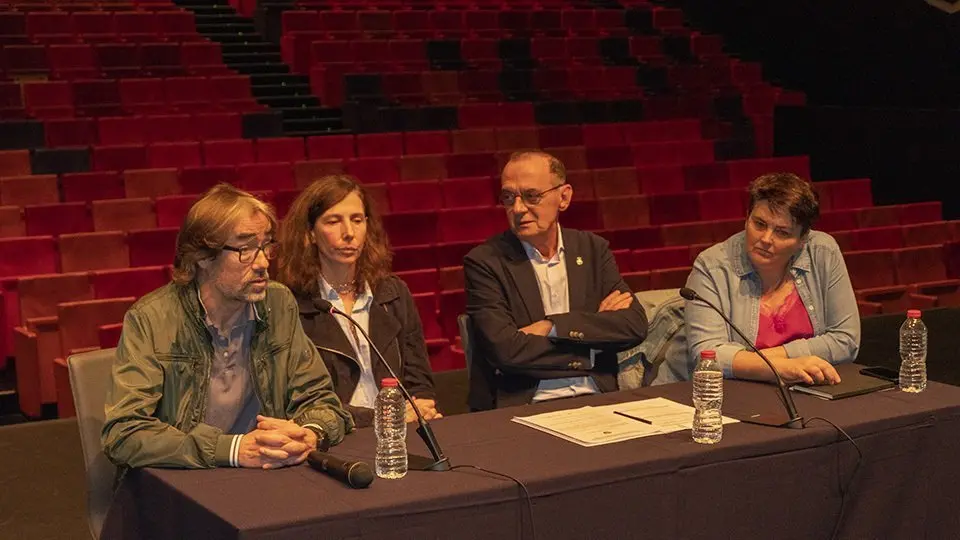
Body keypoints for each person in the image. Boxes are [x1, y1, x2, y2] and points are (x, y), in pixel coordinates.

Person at [102, 184, 353, 470]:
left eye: (266, 246)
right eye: (244, 249)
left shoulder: (278, 303)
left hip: (267, 475)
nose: (262, 263)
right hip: (186, 482)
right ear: (203, 257)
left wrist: (311, 433)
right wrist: (232, 448)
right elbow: (124, 434)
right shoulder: (151, 319)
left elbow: (321, 399)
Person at [464, 150, 649, 410]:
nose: (517, 209)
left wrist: (552, 326)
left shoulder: (592, 249)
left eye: (531, 196)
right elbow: (505, 351)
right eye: (508, 197)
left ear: (563, 197)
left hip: (600, 399)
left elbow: (633, 325)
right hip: (526, 406)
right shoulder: (485, 262)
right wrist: (591, 345)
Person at [277, 175, 441, 428]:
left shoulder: (393, 292)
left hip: (400, 431)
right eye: (333, 221)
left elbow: (419, 380)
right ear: (310, 233)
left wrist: (422, 407)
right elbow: (302, 401)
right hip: (337, 435)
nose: (349, 234)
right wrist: (381, 418)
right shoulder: (290, 303)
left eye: (357, 220)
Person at [682, 173, 860, 385]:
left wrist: (763, 361)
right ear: (746, 217)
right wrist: (780, 367)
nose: (766, 239)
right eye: (759, 224)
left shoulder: (822, 251)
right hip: (725, 393)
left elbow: (846, 340)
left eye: (782, 233)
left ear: (803, 239)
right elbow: (708, 356)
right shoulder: (712, 266)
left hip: (805, 387)